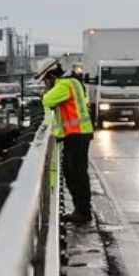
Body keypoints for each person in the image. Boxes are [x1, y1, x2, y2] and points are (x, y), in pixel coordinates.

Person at [36, 58, 94, 223]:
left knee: (77, 174)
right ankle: (81, 209)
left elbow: (47, 100)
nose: (45, 84)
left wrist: (46, 93)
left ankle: (83, 211)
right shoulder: (73, 83)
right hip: (78, 134)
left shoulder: (63, 85)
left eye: (45, 80)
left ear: (51, 75)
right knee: (73, 173)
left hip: (76, 135)